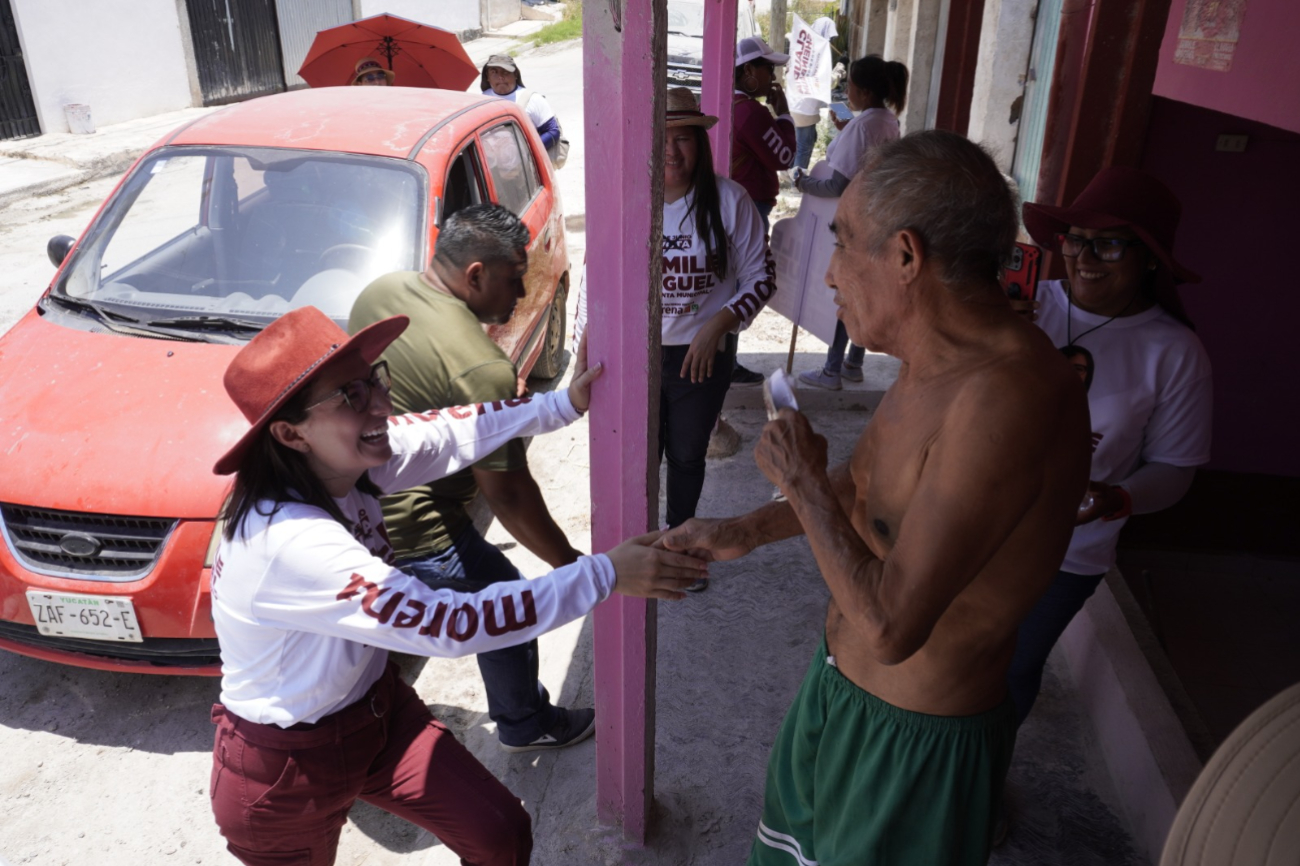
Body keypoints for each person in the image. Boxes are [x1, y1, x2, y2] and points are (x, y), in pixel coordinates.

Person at [663, 130, 1092, 865]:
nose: (829, 276)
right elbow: (864, 485)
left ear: (905, 256)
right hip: (841, 694)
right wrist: (747, 529)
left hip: (915, 739)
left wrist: (799, 482)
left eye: (842, 245)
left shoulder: (1007, 397)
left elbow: (894, 627)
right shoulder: (933, 364)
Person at [206, 306, 707, 866]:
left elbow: (447, 432)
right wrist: (607, 573)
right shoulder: (287, 542)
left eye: (375, 378)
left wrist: (560, 404)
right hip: (286, 768)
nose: (380, 403)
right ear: (289, 433)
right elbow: (449, 624)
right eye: (349, 395)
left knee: (499, 832)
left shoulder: (338, 462)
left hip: (376, 712)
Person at [349, 204, 594, 752]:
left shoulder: (380, 294)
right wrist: (572, 568)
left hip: (357, 511)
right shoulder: (482, 366)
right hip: (419, 528)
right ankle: (524, 722)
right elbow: (507, 493)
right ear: (476, 275)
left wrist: (562, 405)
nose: (522, 293)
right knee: (504, 602)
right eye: (514, 280)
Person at [1007, 167, 1212, 728]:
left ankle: (979, 789)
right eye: (1075, 238)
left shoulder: (1173, 352)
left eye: (1110, 243)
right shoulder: (1022, 306)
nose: (1083, 256)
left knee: (1012, 669)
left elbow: (1174, 469)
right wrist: (995, 335)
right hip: (975, 518)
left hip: (1067, 552)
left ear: (1149, 258)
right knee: (947, 657)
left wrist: (1116, 499)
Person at [659, 87, 777, 587]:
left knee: (686, 455)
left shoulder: (730, 200)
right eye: (660, 140)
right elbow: (596, 275)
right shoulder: (629, 199)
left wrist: (717, 326)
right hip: (634, 357)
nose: (671, 151)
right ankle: (640, 553)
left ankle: (682, 547)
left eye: (682, 139)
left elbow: (761, 278)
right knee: (638, 459)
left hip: (701, 358)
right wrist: (584, 348)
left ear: (700, 144)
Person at [795, 55, 908, 392]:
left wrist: (802, 182)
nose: (846, 94)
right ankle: (853, 363)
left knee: (847, 292)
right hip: (878, 217)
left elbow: (838, 184)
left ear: (861, 89)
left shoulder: (863, 125)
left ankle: (832, 370)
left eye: (850, 88)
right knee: (865, 289)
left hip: (853, 221)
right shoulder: (887, 120)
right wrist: (847, 129)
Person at [728, 35, 797, 387]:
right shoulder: (750, 112)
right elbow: (785, 156)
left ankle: (725, 357)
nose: (773, 77)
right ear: (749, 71)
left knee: (729, 279)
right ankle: (727, 361)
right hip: (750, 207)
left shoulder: (726, 104)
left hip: (733, 204)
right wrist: (784, 113)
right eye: (768, 68)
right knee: (744, 282)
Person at [480, 54, 562, 163]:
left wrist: (528, 150)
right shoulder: (481, 100)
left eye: (506, 72)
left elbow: (553, 131)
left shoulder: (532, 99)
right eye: (494, 72)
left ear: (516, 75)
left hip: (527, 166)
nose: (500, 77)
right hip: (495, 167)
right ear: (487, 77)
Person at [789, 17, 841, 171]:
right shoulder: (820, 51)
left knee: (800, 142)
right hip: (805, 108)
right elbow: (826, 82)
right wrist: (840, 69)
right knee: (804, 147)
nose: (831, 40)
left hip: (794, 102)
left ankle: (790, 171)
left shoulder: (804, 46)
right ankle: (796, 182)